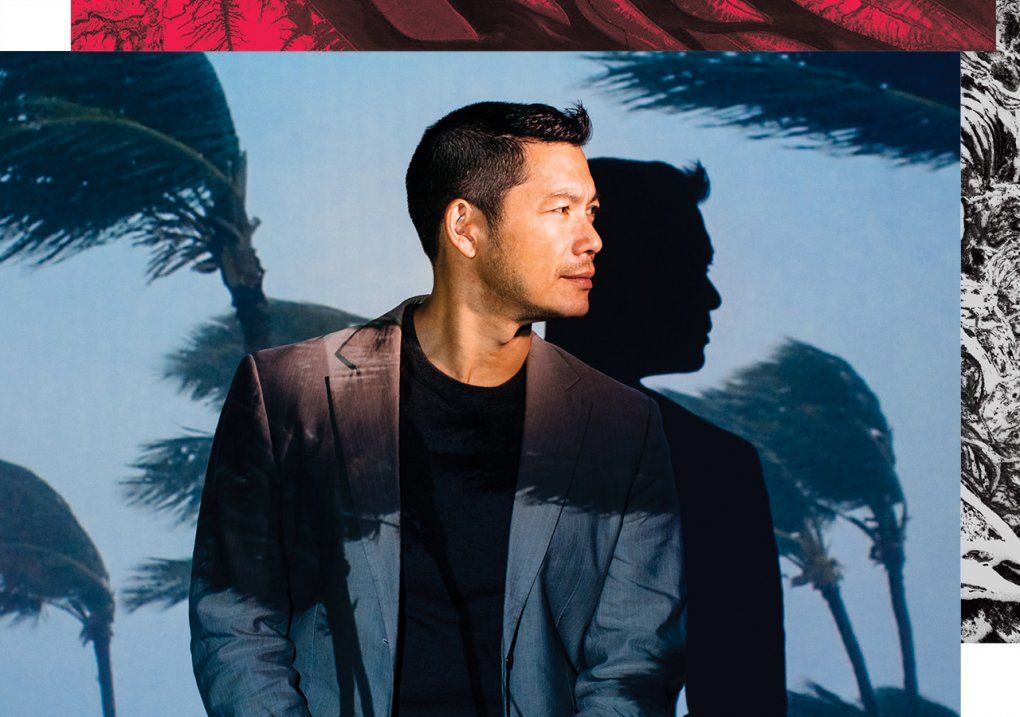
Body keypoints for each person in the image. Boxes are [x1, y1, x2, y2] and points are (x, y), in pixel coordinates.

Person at [189, 102, 687, 717]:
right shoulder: (287, 391)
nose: (592, 240)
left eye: (590, 212)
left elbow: (636, 662)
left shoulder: (623, 426)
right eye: (561, 211)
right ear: (465, 227)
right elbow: (236, 624)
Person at [545, 157, 788, 717]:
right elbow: (743, 696)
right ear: (617, 271)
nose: (711, 297)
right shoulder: (707, 468)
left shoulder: (427, 428)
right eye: (688, 267)